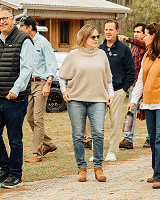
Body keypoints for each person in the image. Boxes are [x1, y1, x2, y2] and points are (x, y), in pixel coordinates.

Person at [0, 6, 34, 189]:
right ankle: (4, 169)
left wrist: (16, 89)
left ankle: (16, 174)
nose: (1, 22)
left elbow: (27, 68)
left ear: (13, 19)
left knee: (14, 139)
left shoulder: (24, 39)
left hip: (15, 99)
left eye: (5, 18)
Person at [127, 22, 160, 189]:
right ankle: (157, 170)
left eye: (147, 35)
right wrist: (134, 100)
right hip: (148, 104)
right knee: (154, 139)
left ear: (154, 36)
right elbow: (141, 80)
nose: (144, 37)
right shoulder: (148, 55)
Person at [59, 24, 114, 182]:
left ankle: (98, 167)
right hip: (76, 100)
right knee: (78, 136)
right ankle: (81, 168)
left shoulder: (102, 54)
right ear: (84, 38)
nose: (97, 39)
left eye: (98, 36)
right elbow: (62, 76)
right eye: (93, 37)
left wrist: (110, 94)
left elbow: (108, 78)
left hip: (98, 100)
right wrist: (64, 91)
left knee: (98, 133)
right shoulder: (73, 55)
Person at [18, 16, 58, 163]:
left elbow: (52, 65)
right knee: (29, 118)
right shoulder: (26, 42)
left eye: (22, 26)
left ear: (29, 27)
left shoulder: (43, 43)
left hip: (41, 83)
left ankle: (37, 153)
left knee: (38, 119)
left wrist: (48, 83)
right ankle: (49, 144)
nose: (20, 29)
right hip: (29, 84)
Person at [99, 20, 135, 161]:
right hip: (101, 92)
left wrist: (124, 89)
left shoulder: (124, 49)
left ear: (117, 31)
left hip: (118, 90)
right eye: (106, 29)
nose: (108, 32)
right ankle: (98, 152)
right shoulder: (100, 48)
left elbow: (131, 72)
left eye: (111, 29)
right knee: (98, 123)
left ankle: (112, 151)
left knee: (115, 122)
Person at [118, 23, 150, 149]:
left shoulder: (147, 45)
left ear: (144, 34)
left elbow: (143, 44)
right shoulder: (134, 48)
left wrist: (126, 39)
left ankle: (150, 138)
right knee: (130, 111)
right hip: (135, 84)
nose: (136, 34)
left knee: (148, 112)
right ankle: (128, 139)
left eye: (138, 32)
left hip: (147, 85)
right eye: (134, 32)